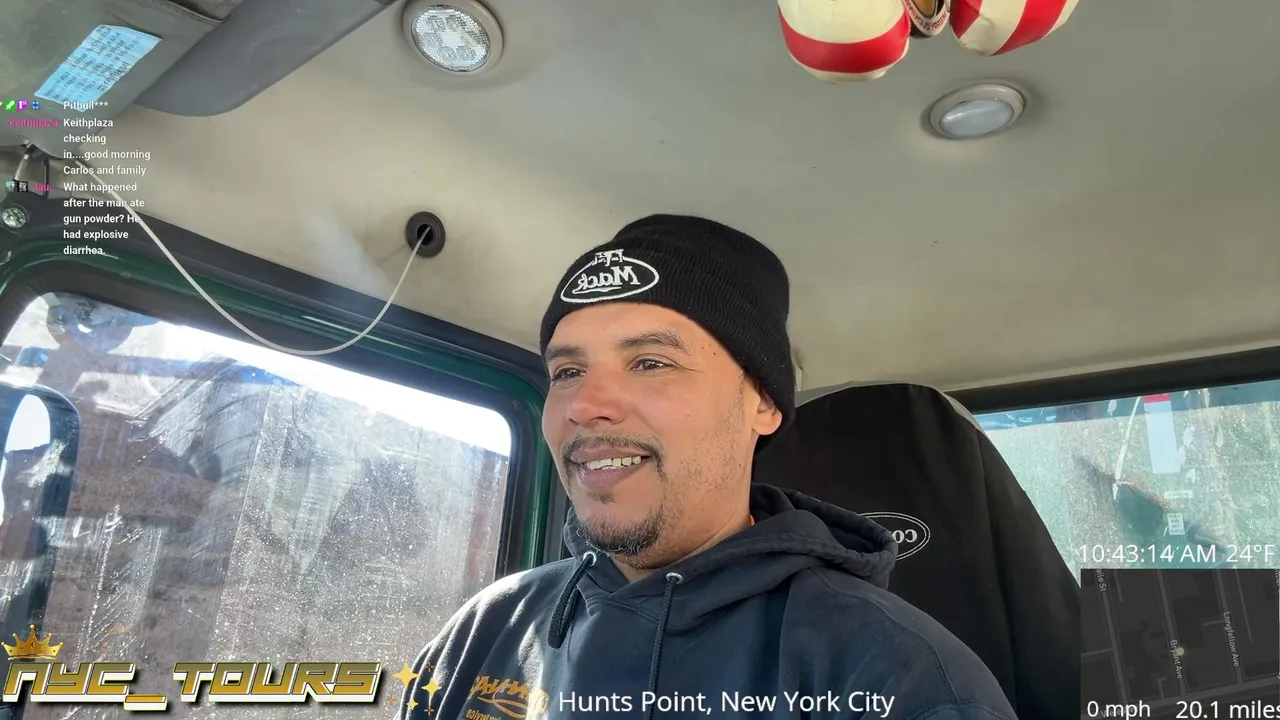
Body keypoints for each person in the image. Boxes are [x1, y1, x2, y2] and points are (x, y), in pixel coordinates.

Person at [399, 215, 1018, 719]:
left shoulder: (899, 679)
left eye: (651, 363)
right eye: (567, 372)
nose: (584, 405)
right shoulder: (483, 634)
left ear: (763, 404)